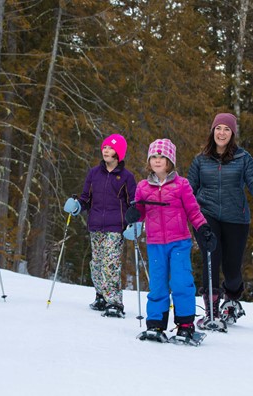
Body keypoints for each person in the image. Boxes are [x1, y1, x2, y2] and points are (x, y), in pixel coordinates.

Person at [125, 138, 217, 344]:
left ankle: (185, 325)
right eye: (154, 157)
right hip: (155, 244)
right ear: (149, 161)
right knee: (157, 284)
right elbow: (139, 211)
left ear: (170, 161)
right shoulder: (143, 187)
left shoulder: (181, 185)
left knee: (181, 282)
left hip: (179, 242)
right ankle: (156, 324)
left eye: (162, 157)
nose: (157, 161)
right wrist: (133, 214)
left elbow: (193, 211)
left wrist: (204, 230)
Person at [187, 113, 253, 331]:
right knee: (211, 257)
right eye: (218, 128)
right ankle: (211, 311)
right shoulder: (200, 160)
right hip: (206, 214)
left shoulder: (243, 158)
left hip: (236, 218)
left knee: (232, 268)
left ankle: (231, 298)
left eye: (226, 129)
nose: (221, 133)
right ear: (212, 131)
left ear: (232, 134)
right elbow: (189, 188)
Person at [63, 134, 137, 318]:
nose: (106, 150)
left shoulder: (127, 177)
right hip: (95, 225)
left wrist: (134, 223)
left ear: (118, 153)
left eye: (110, 148)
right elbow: (85, 199)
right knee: (96, 263)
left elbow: (133, 203)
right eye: (104, 147)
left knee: (110, 264)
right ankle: (101, 296)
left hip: (116, 227)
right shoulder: (94, 173)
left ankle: (114, 302)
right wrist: (77, 206)